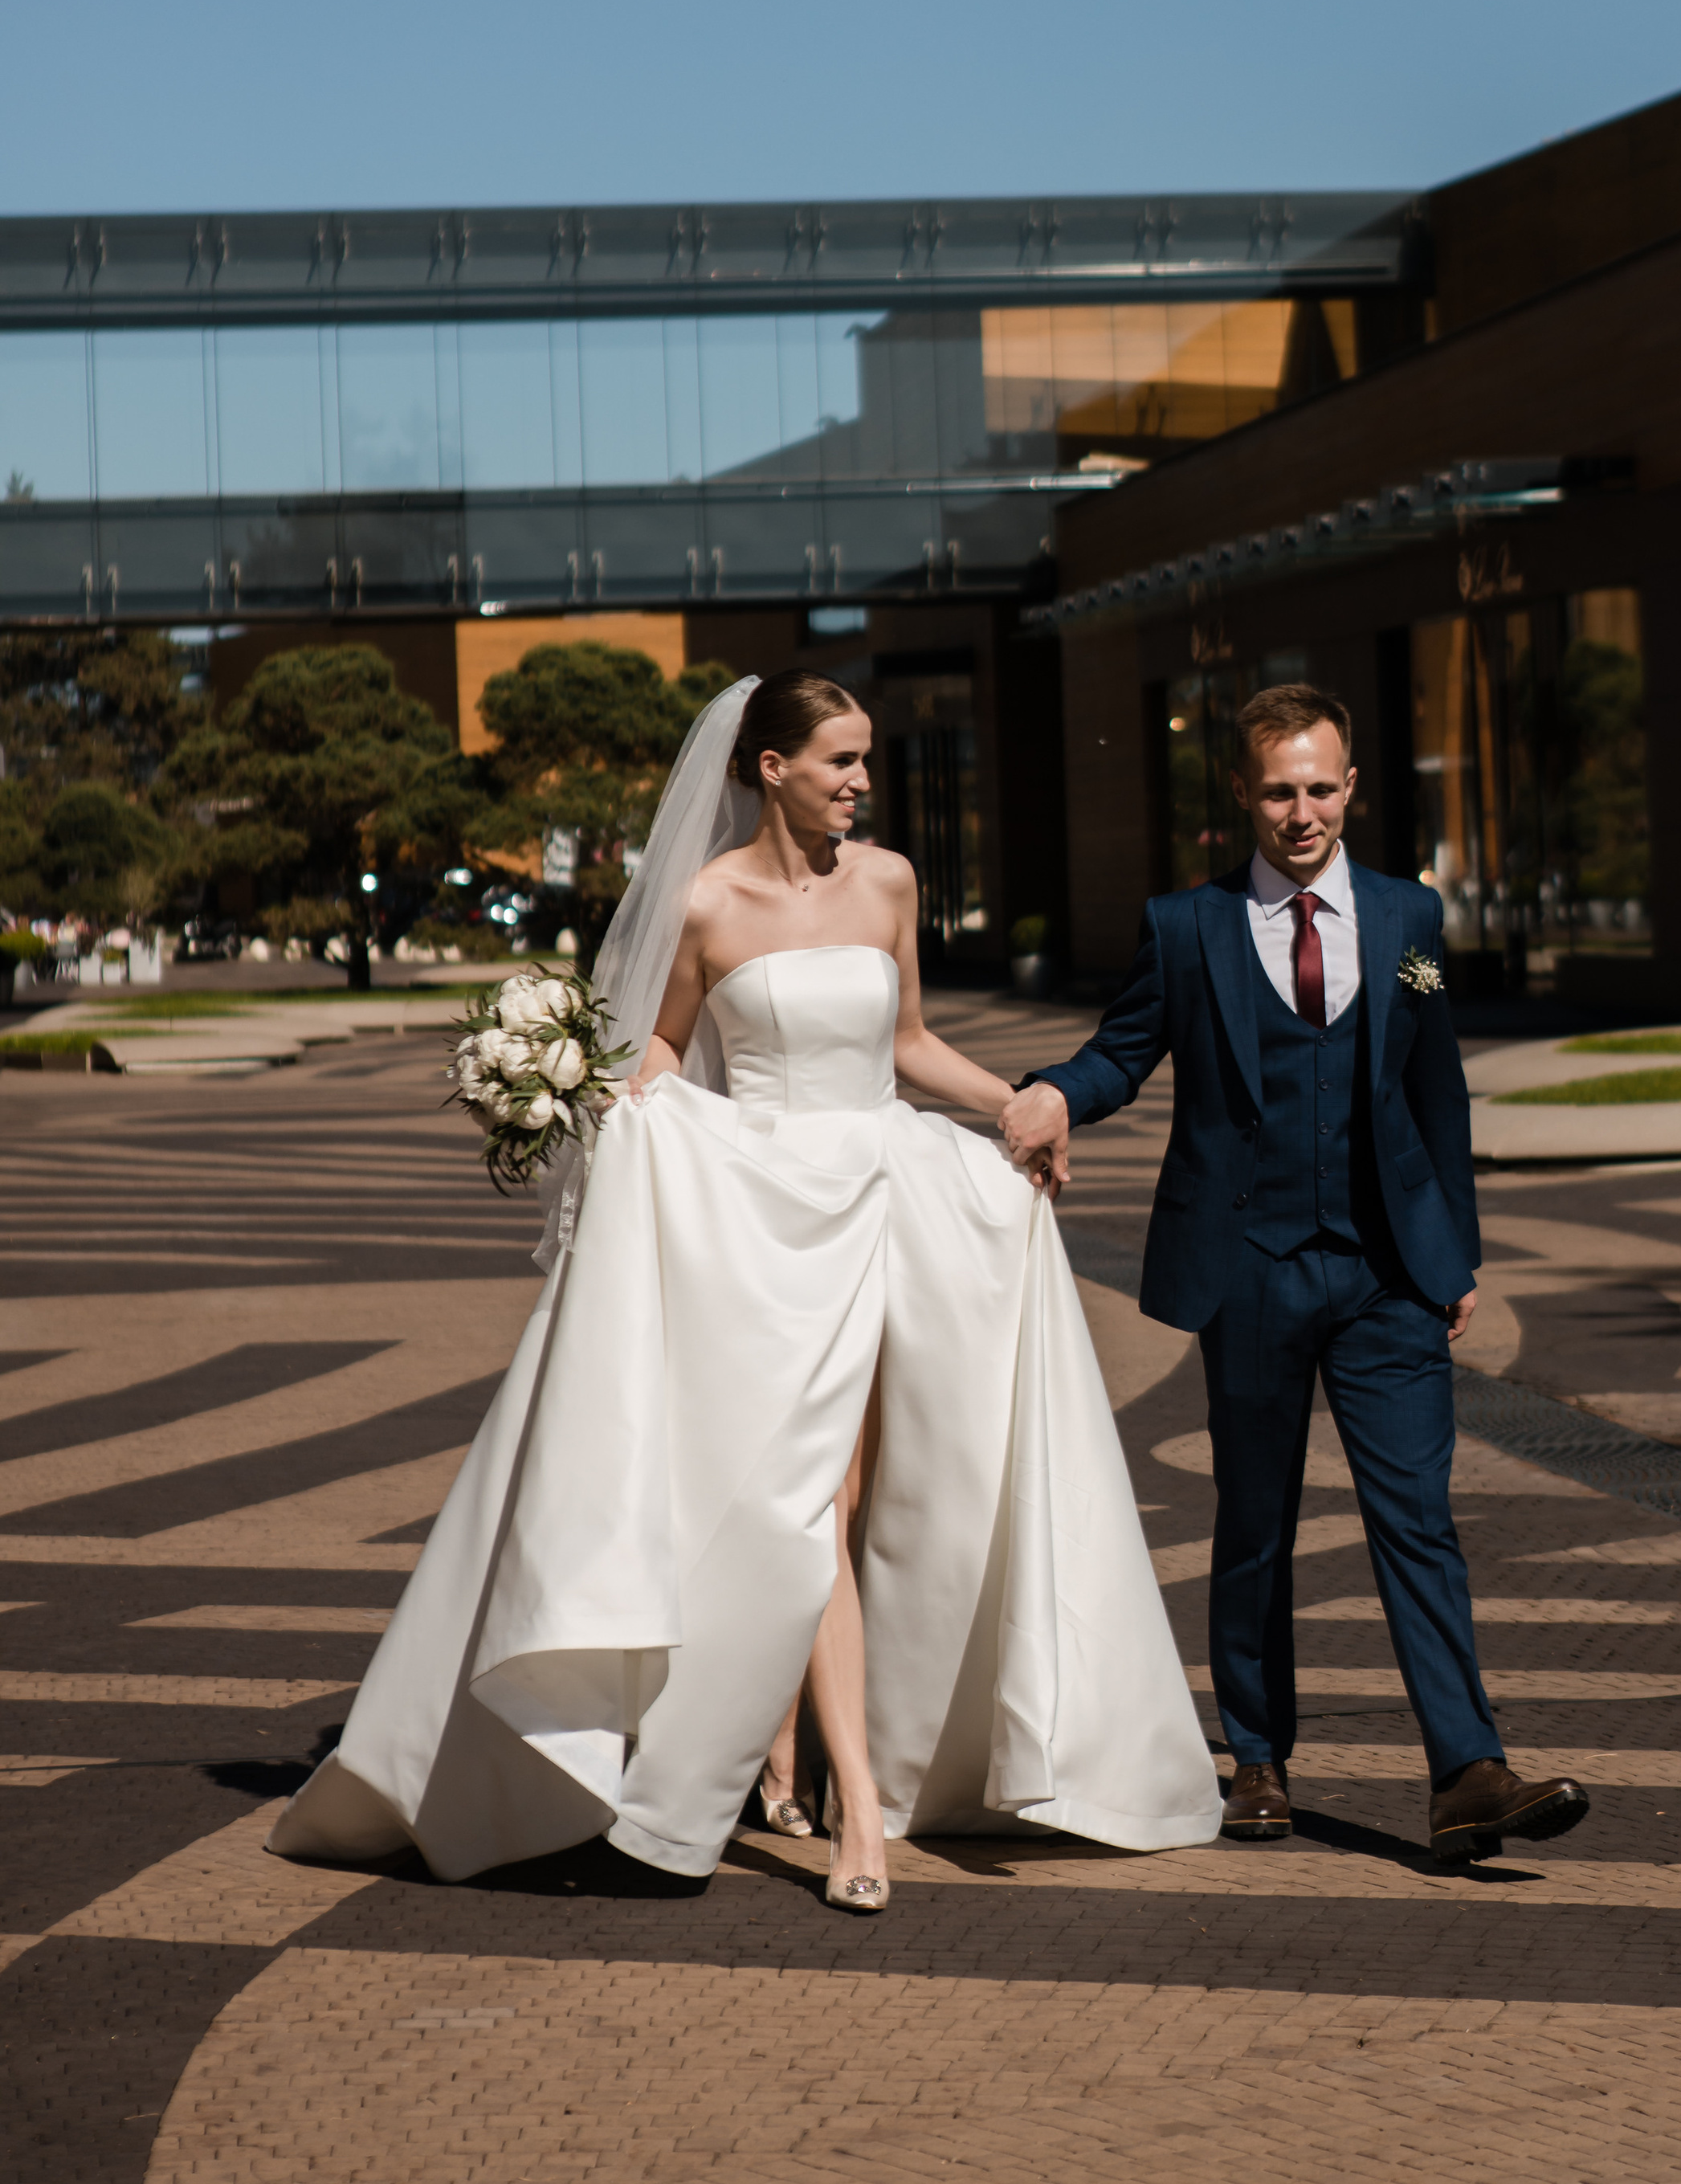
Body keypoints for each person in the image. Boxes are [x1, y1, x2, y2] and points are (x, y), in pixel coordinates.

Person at [271, 671, 1220, 1911]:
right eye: (841, 761)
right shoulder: (709, 902)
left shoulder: (887, 884)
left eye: (868, 760)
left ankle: (805, 1761)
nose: (862, 782)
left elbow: (906, 1046)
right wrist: (636, 1100)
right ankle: (859, 1816)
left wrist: (1020, 1105)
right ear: (770, 768)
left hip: (889, 1198)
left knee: (883, 1495)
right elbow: (661, 1041)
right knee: (807, 1506)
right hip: (765, 1223)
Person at [1000, 681, 1590, 1865]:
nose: (1302, 809)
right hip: (1250, 1266)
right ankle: (1257, 1761)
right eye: (1280, 788)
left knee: (1416, 1514)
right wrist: (1058, 1093)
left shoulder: (1408, 917)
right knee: (1256, 1522)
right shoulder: (1185, 926)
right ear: (1241, 794)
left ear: (1353, 787)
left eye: (1322, 786)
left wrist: (1453, 1252)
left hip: (1385, 1270)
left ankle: (1468, 1769)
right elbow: (1125, 1050)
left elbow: (1436, 1089)